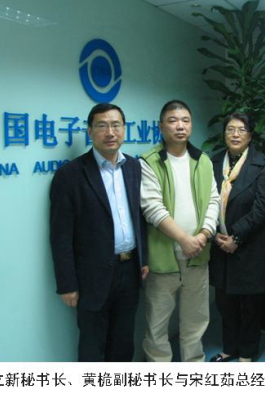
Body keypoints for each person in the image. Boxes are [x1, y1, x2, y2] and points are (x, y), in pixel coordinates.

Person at [49, 103, 149, 362]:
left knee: (123, 343)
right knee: (92, 346)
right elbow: (60, 236)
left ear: (124, 129)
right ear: (90, 131)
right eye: (102, 126)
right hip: (91, 277)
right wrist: (67, 284)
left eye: (116, 125)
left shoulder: (134, 167)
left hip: (129, 271)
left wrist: (143, 259)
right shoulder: (70, 175)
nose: (110, 132)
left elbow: (139, 217)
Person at [140, 99, 220, 362]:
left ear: (191, 125)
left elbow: (214, 201)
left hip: (198, 254)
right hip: (163, 258)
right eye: (173, 121)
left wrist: (203, 235)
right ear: (161, 126)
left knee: (196, 322)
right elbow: (152, 207)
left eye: (185, 120)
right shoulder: (149, 161)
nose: (180, 126)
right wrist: (184, 239)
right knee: (157, 325)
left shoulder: (202, 161)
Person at [209, 113, 265, 363]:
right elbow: (205, 201)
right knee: (225, 302)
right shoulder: (213, 162)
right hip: (219, 243)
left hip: (250, 245)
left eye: (241, 130)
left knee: (250, 304)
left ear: (250, 135)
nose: (235, 134)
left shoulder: (263, 164)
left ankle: (247, 353)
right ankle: (230, 347)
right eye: (230, 129)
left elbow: (262, 207)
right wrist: (215, 234)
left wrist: (236, 237)